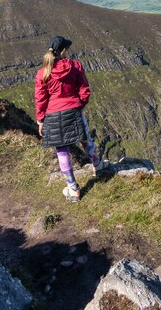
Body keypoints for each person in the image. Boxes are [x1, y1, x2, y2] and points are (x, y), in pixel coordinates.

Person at [34, 36, 103, 202]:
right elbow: (84, 89)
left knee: (62, 152)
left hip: (53, 115)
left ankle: (73, 189)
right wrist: (80, 105)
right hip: (74, 110)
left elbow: (40, 98)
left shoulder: (42, 73)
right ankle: (98, 166)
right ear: (63, 50)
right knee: (85, 140)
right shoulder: (75, 66)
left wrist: (40, 120)